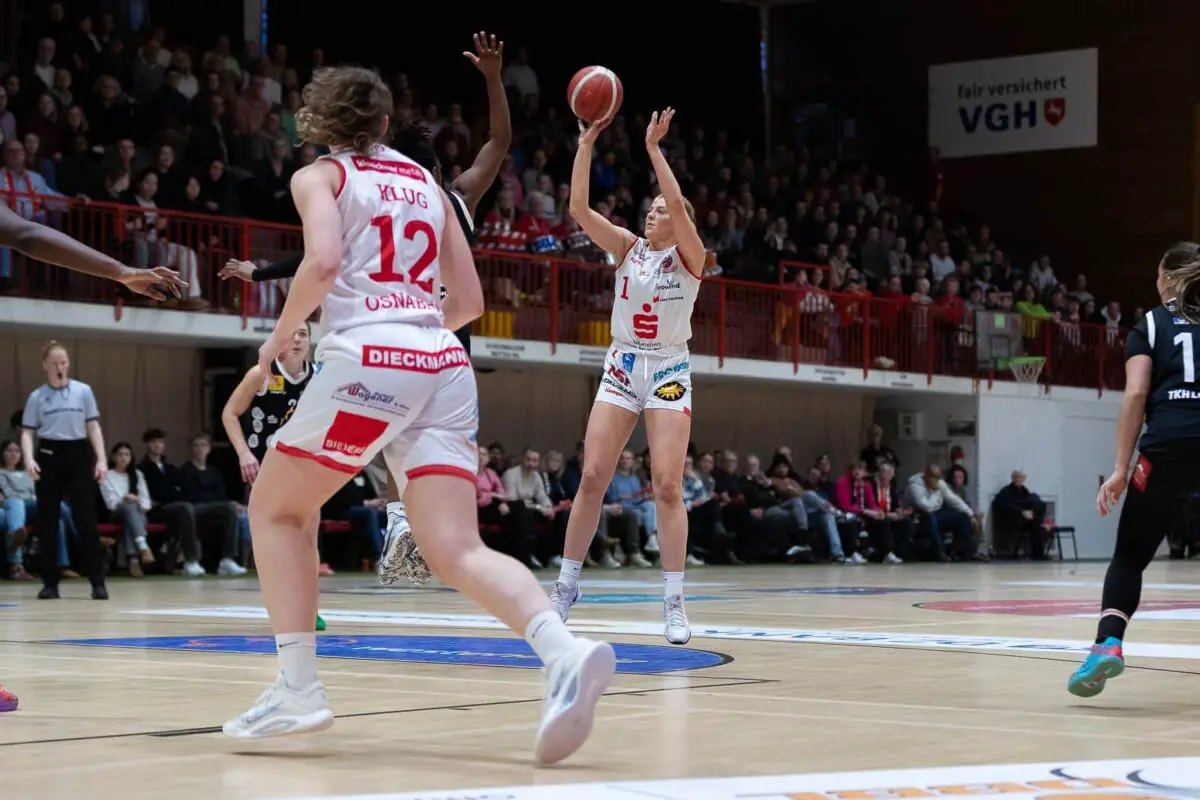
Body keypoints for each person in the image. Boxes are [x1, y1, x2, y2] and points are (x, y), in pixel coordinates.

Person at [221, 66, 614, 766]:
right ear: (383, 123)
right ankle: (564, 653)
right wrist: (410, 335)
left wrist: (279, 336)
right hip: (443, 362)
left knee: (276, 510)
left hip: (369, 361)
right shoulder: (427, 183)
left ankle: (298, 689)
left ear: (319, 123)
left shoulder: (320, 176)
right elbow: (469, 301)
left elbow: (322, 263)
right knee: (455, 549)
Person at [217, 33, 511, 589]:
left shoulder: (414, 191)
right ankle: (407, 530)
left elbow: (322, 259)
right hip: (440, 343)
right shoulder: (433, 194)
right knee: (425, 482)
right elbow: (497, 145)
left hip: (389, 339)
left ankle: (397, 532)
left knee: (304, 490)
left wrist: (270, 294)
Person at [549, 108, 705, 645]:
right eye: (651, 208)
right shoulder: (626, 247)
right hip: (622, 363)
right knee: (592, 476)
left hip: (668, 368)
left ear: (679, 221)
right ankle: (566, 585)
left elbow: (678, 209)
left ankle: (674, 600)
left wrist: (654, 150)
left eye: (661, 210)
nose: (652, 213)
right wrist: (585, 143)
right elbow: (577, 208)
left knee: (667, 485)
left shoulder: (692, 256)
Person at [1068, 242, 1200, 697]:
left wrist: (1121, 467)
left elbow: (1136, 395)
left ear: (1168, 278)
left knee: (1129, 555)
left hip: (1165, 449)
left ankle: (1107, 645)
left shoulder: (1151, 323)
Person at [219, 322, 325, 629]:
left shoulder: (320, 376)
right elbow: (229, 414)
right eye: (292, 334)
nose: (297, 340)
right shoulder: (261, 374)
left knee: (309, 536)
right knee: (275, 539)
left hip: (306, 465)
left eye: (303, 334)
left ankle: (311, 609)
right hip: (267, 466)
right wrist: (243, 453)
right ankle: (282, 606)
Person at [20, 341, 108, 600]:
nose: (60, 367)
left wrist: (101, 459)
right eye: (55, 363)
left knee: (86, 520)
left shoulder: (83, 391)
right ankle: (50, 583)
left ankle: (98, 582)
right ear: (45, 365)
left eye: (64, 362)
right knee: (47, 522)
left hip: (78, 454)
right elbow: (27, 432)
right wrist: (28, 458)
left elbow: (93, 427)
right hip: (49, 454)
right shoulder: (37, 397)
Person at [99, 441, 155, 576]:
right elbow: (110, 503)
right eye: (120, 454)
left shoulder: (137, 474)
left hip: (136, 513)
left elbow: (147, 503)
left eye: (127, 455)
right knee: (130, 508)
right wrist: (125, 498)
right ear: (113, 457)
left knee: (131, 514)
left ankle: (134, 559)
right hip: (115, 513)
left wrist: (136, 500)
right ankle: (143, 546)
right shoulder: (107, 475)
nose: (123, 458)